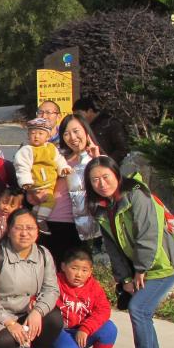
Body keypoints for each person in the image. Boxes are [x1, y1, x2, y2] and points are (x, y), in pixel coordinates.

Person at [85, 157, 174, 348]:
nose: (101, 183)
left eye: (105, 177)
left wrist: (141, 269)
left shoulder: (137, 195)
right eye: (95, 180)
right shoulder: (103, 207)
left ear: (117, 175)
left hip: (165, 263)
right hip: (141, 267)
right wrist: (124, 278)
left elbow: (148, 234)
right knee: (144, 311)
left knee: (138, 309)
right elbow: (112, 247)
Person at [0, 208, 62, 348]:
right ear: (9, 231)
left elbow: (51, 289)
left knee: (54, 319)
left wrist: (38, 312)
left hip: (27, 313)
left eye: (30, 228)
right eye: (18, 228)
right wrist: (9, 322)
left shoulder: (43, 254)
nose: (24, 233)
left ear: (37, 231)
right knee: (2, 343)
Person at [47, 247, 117, 348]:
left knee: (109, 329)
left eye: (84, 270)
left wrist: (86, 328)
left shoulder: (94, 287)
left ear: (91, 271)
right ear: (63, 266)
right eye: (74, 268)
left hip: (81, 331)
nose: (79, 274)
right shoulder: (54, 282)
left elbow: (103, 310)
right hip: (58, 332)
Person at [44, 112, 103, 263]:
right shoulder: (57, 158)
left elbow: (104, 188)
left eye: (76, 131)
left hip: (78, 227)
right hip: (50, 222)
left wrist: (95, 159)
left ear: (86, 131)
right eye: (66, 134)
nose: (72, 137)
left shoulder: (98, 159)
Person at [14, 118, 71, 233]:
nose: (36, 136)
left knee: (42, 204)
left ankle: (35, 214)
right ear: (28, 135)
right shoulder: (27, 150)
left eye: (40, 133)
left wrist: (64, 168)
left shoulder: (51, 148)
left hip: (49, 185)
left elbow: (59, 160)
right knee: (50, 201)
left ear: (48, 136)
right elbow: (22, 166)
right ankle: (41, 220)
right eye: (33, 133)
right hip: (36, 185)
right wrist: (25, 181)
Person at [74, 96, 129, 164]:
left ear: (90, 111)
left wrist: (108, 163)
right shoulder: (82, 126)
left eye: (79, 114)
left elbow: (122, 149)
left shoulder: (110, 123)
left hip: (110, 165)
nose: (77, 118)